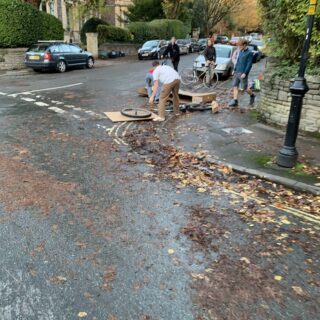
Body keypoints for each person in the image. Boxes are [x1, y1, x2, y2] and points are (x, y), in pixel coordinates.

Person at [228, 39, 255, 107]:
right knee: (235, 86)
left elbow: (249, 64)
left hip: (243, 73)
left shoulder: (249, 53)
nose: (239, 47)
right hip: (237, 72)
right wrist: (234, 69)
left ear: (245, 45)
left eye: (240, 46)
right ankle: (235, 101)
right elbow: (238, 61)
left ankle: (252, 95)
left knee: (245, 88)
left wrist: (245, 73)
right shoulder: (240, 51)